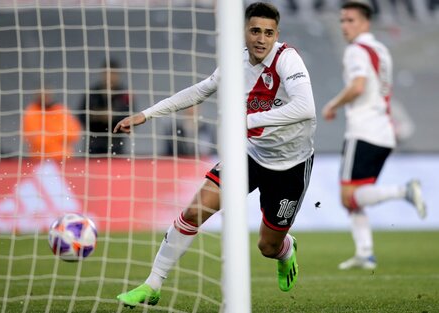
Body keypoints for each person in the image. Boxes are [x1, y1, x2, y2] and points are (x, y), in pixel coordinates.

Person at [114, 2, 316, 307]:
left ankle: (285, 250)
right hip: (248, 154)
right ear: (245, 32)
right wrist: (147, 114)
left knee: (267, 246)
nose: (261, 39)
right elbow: (200, 90)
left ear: (276, 35)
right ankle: (152, 283)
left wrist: (246, 121)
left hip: (291, 164)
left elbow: (305, 108)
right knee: (194, 212)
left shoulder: (288, 60)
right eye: (255, 31)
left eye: (268, 33)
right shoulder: (235, 62)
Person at [322, 0, 426, 270]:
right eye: (342, 20)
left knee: (348, 197)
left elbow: (358, 86)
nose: (345, 26)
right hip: (384, 132)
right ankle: (365, 252)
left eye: (350, 20)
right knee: (359, 195)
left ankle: (403, 191)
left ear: (365, 22)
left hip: (363, 130)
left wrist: (333, 104)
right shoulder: (381, 49)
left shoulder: (356, 50)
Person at [79, 59, 132, 156]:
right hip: (93, 143)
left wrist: (114, 117)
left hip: (116, 145)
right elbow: (81, 116)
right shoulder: (91, 93)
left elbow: (132, 119)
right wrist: (98, 116)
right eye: (107, 73)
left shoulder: (125, 94)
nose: (110, 77)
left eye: (113, 73)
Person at [23, 88, 82, 161]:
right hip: (39, 160)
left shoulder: (61, 109)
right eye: (42, 95)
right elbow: (35, 138)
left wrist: (49, 133)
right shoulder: (32, 111)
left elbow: (74, 134)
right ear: (37, 96)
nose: (45, 97)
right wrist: (57, 134)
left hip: (64, 160)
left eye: (47, 94)